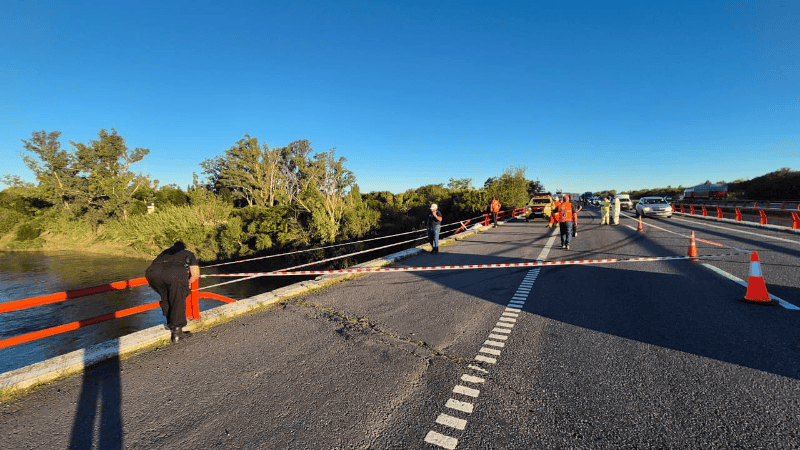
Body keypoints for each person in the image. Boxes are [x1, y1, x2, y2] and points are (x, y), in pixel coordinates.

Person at [145, 241, 200, 342]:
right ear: (184, 248)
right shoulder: (188, 254)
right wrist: (188, 282)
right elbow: (195, 274)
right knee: (178, 299)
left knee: (166, 297)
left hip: (152, 274)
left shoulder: (164, 253)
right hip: (174, 273)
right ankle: (177, 333)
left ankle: (171, 324)